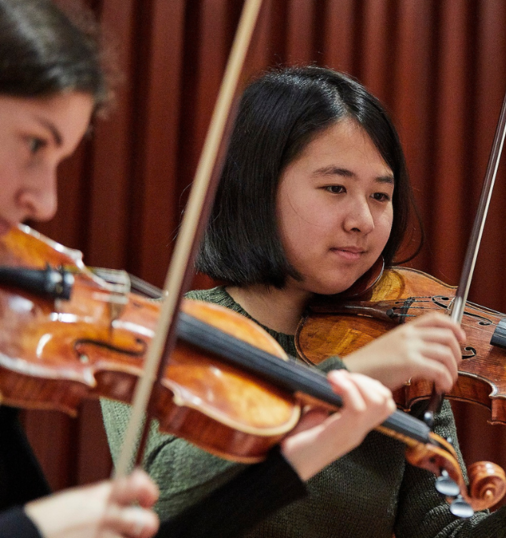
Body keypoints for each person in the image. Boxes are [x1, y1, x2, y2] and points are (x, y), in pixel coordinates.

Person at [101, 65, 506, 537]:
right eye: (335, 188)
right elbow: (164, 501)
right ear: (255, 191)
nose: (363, 220)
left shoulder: (398, 350)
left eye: (381, 196)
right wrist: (354, 377)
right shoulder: (166, 331)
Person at [0, 1, 395, 537]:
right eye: (34, 143)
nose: (44, 200)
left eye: (381, 194)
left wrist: (304, 454)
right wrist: (41, 524)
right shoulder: (166, 334)